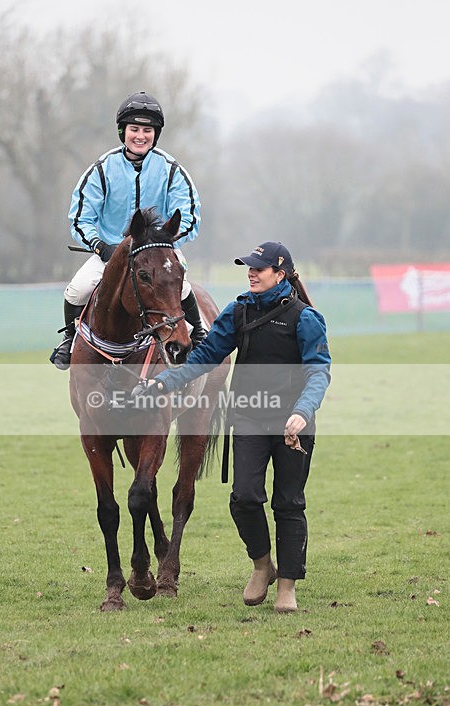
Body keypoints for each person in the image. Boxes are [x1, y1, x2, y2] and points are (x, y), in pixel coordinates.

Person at [131, 241, 331, 612]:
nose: (251, 273)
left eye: (259, 268)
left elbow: (318, 371)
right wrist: (165, 382)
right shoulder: (238, 311)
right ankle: (262, 566)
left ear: (280, 274)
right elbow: (206, 356)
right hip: (250, 418)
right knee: (244, 498)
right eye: (249, 268)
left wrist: (302, 411)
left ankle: (286, 587)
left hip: (293, 425)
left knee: (288, 503)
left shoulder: (305, 318)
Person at [50, 91, 205, 369]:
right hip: (111, 253)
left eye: (147, 130)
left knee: (181, 289)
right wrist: (100, 246)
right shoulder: (102, 169)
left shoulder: (172, 170)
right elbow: (80, 217)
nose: (140, 136)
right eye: (134, 129)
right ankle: (70, 339)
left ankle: (200, 334)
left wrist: (164, 242)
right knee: (77, 290)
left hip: (159, 252)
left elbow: (190, 217)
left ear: (155, 134)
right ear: (123, 131)